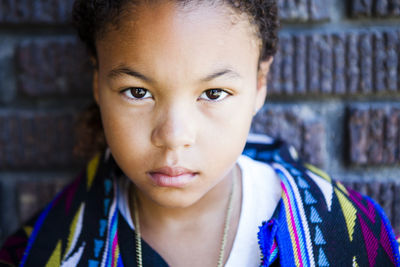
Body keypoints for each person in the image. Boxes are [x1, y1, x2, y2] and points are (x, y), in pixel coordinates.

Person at [1, 0, 399, 266]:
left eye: (213, 93)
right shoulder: (40, 249)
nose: (174, 137)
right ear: (96, 81)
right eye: (138, 92)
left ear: (260, 83)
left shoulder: (348, 233)